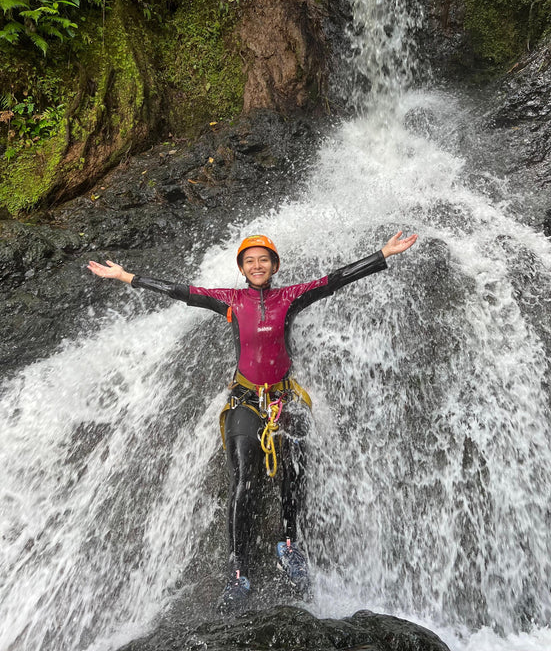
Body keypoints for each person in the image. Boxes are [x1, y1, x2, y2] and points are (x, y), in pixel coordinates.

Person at [87, 229, 417, 611]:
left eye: (263, 260)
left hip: (283, 398)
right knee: (244, 478)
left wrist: (383, 253)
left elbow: (334, 280)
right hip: (245, 401)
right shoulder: (230, 301)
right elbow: (182, 291)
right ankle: (239, 569)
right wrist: (127, 276)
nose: (257, 266)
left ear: (274, 265)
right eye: (249, 261)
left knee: (295, 471)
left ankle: (289, 545)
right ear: (242, 268)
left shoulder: (290, 296)